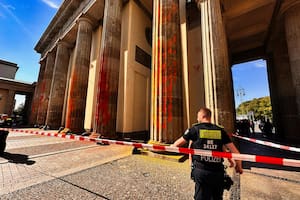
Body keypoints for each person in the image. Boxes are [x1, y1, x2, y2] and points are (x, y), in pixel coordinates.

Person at [171, 107, 243, 200]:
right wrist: (238, 165)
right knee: (217, 197)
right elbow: (235, 152)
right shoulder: (220, 131)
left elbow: (176, 145)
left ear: (202, 116)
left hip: (201, 171)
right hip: (217, 172)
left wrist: (169, 148)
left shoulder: (194, 129)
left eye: (198, 117)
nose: (197, 119)